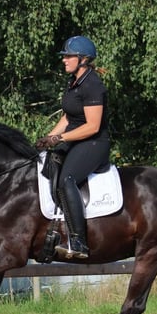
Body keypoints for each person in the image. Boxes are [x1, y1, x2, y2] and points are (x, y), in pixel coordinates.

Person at [36, 35, 110, 259]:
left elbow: (92, 126)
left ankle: (79, 242)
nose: (64, 60)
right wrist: (48, 138)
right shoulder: (75, 82)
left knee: (67, 179)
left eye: (68, 56)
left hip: (94, 142)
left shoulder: (93, 85)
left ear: (83, 59)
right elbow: (68, 117)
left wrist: (60, 139)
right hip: (75, 139)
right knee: (47, 165)